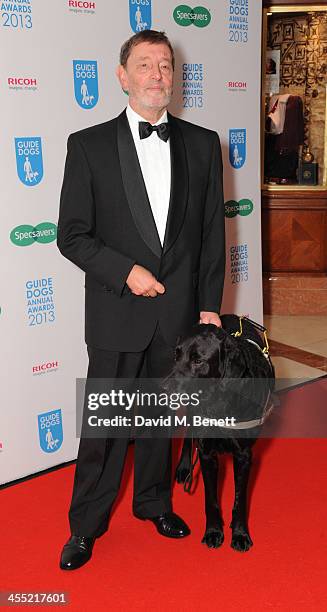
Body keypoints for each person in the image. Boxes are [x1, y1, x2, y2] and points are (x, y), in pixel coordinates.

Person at [57, 29, 225, 570]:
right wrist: (124, 271)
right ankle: (86, 525)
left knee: (158, 421)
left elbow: (210, 237)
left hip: (178, 315)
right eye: (146, 65)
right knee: (104, 427)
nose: (158, 74)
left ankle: (153, 502)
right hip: (116, 311)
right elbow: (72, 234)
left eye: (167, 66)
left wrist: (208, 305)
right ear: (122, 76)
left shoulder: (203, 144)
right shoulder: (88, 145)